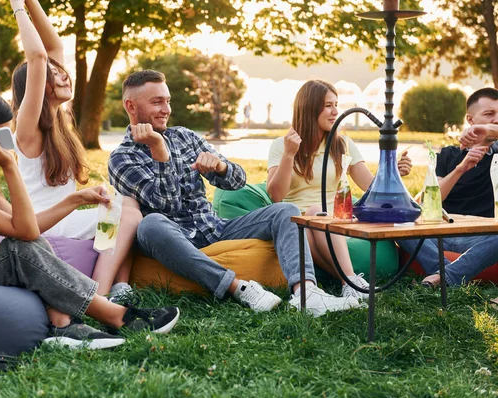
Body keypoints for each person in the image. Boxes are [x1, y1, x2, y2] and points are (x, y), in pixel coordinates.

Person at [0, 87, 179, 350]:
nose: (7, 148)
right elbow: (25, 232)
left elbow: (28, 226)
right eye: (1, 138)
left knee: (28, 247)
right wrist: (9, 166)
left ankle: (63, 324)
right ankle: (115, 315)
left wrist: (76, 199)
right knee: (20, 249)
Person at [108, 70, 361, 317]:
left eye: (168, 101)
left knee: (287, 211)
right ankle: (238, 287)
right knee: (150, 224)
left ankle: (306, 294)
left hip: (216, 228)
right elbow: (167, 205)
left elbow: (238, 180)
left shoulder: (184, 137)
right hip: (172, 236)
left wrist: (220, 167)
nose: (166, 109)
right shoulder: (121, 158)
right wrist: (160, 153)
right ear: (131, 106)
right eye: (157, 102)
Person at [9, 0, 141, 299]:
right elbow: (39, 55)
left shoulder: (59, 119)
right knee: (128, 216)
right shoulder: (27, 130)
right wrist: (17, 4)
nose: (63, 74)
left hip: (67, 219)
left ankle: (121, 285)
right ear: (38, 84)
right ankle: (99, 294)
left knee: (128, 204)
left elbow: (53, 47)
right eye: (53, 74)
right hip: (48, 224)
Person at [266, 80, 412, 301]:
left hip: (334, 220)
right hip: (296, 222)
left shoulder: (342, 144)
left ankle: (349, 282)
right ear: (309, 108)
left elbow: (371, 187)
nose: (336, 111)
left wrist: (394, 173)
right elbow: (276, 195)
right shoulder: (281, 145)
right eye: (328, 105)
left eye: (336, 104)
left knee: (317, 212)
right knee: (306, 225)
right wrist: (289, 155)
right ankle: (351, 282)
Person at [399, 87, 498, 287]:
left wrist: (487, 130)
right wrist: (460, 169)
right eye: (489, 114)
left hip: (478, 237)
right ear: (470, 119)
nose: (496, 119)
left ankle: (444, 276)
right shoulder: (447, 155)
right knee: (399, 224)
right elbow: (429, 201)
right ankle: (447, 271)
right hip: (439, 233)